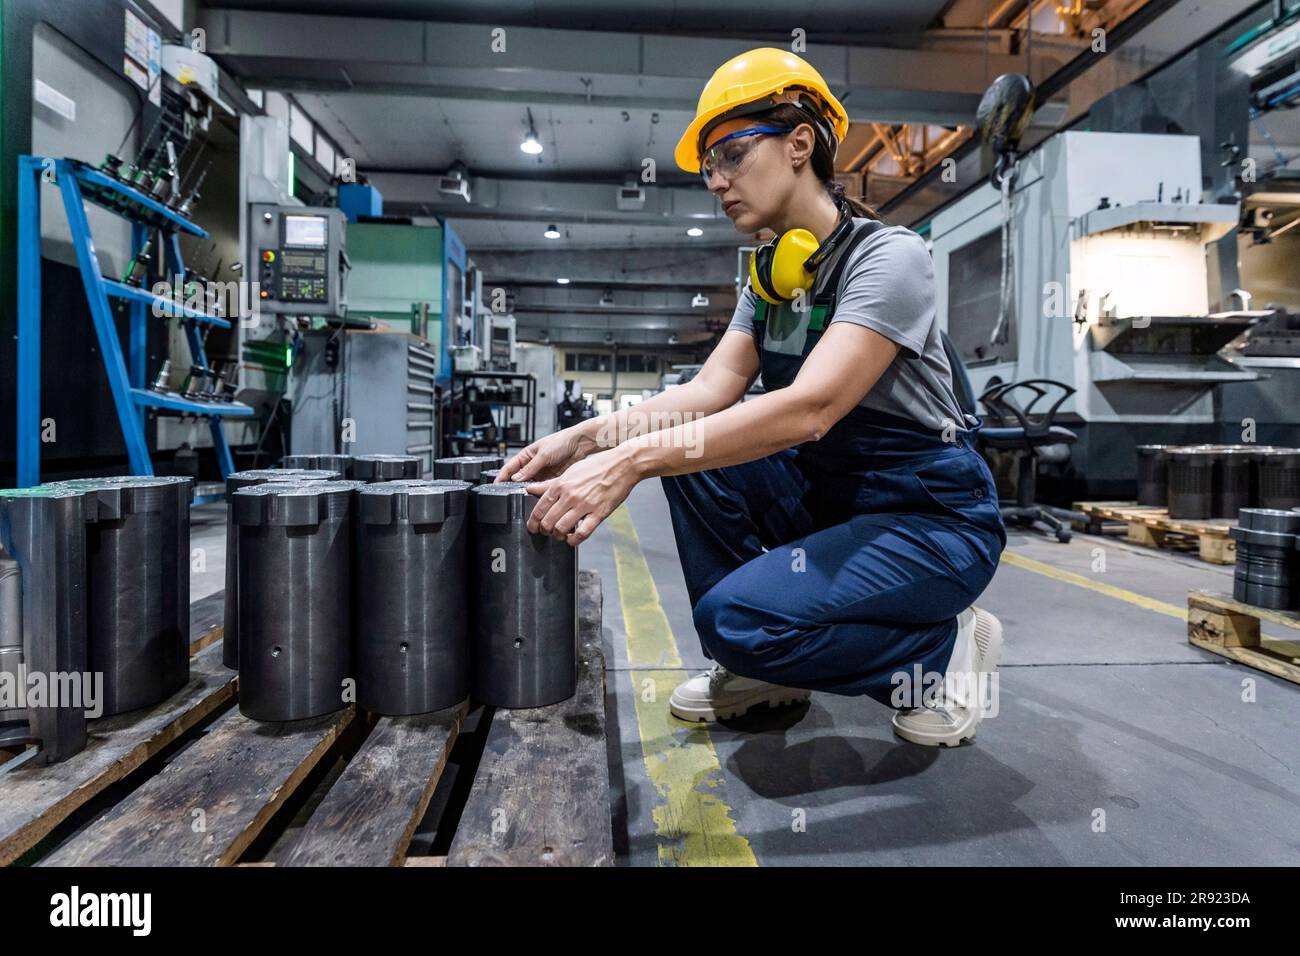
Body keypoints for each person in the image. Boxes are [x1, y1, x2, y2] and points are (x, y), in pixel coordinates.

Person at [498, 48, 1006, 747]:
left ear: (801, 143)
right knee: (695, 462)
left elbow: (810, 409)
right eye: (710, 166)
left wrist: (633, 463)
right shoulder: (769, 280)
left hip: (931, 518)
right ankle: (763, 668)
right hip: (835, 498)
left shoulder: (890, 259)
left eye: (732, 154)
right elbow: (706, 394)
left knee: (737, 618)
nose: (716, 181)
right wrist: (585, 438)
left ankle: (943, 652)